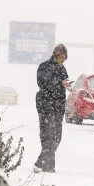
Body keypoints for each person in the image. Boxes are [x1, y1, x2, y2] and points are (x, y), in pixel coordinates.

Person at [34, 44, 72, 173]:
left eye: (65, 57)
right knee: (48, 136)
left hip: (58, 107)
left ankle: (42, 162)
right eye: (61, 56)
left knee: (57, 137)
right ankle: (48, 165)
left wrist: (67, 86)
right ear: (55, 55)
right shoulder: (44, 66)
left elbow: (63, 83)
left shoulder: (62, 69)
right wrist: (59, 83)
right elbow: (42, 83)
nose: (63, 59)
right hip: (46, 105)